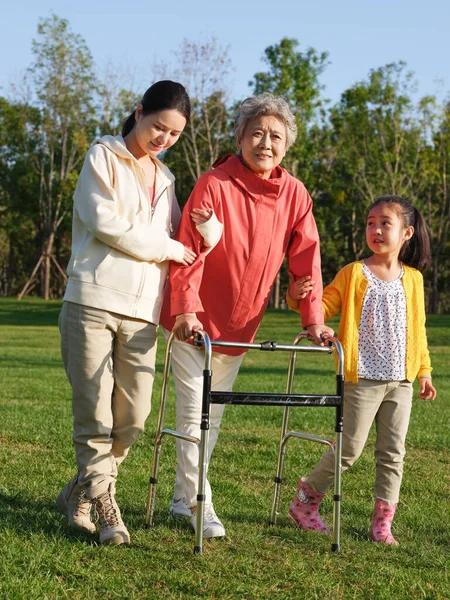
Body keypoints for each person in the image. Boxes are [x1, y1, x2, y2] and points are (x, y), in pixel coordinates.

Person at [159, 92, 334, 539]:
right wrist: (185, 309)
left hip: (241, 328)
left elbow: (307, 260)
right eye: (256, 132)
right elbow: (188, 253)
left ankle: (182, 498)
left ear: (287, 145)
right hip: (195, 323)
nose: (265, 143)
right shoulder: (214, 183)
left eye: (275, 135)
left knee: (210, 417)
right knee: (195, 412)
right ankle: (202, 504)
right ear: (240, 136)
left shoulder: (295, 193)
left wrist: (312, 318)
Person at [56, 80, 222, 546]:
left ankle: (81, 487)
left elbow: (181, 242)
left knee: (133, 418)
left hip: (143, 312)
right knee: (95, 413)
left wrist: (208, 230)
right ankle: (107, 507)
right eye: (157, 127)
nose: (163, 139)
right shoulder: (103, 157)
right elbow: (106, 224)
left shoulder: (166, 178)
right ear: (139, 112)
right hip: (91, 300)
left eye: (173, 135)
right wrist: (170, 245)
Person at [286, 195, 437, 545]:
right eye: (370, 222)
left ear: (407, 233)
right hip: (362, 378)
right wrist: (296, 298)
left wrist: (424, 371)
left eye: (386, 222)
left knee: (392, 453)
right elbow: (321, 307)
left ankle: (382, 525)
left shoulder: (413, 279)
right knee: (349, 450)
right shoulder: (354, 273)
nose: (376, 229)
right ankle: (305, 501)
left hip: (401, 381)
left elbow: (419, 329)